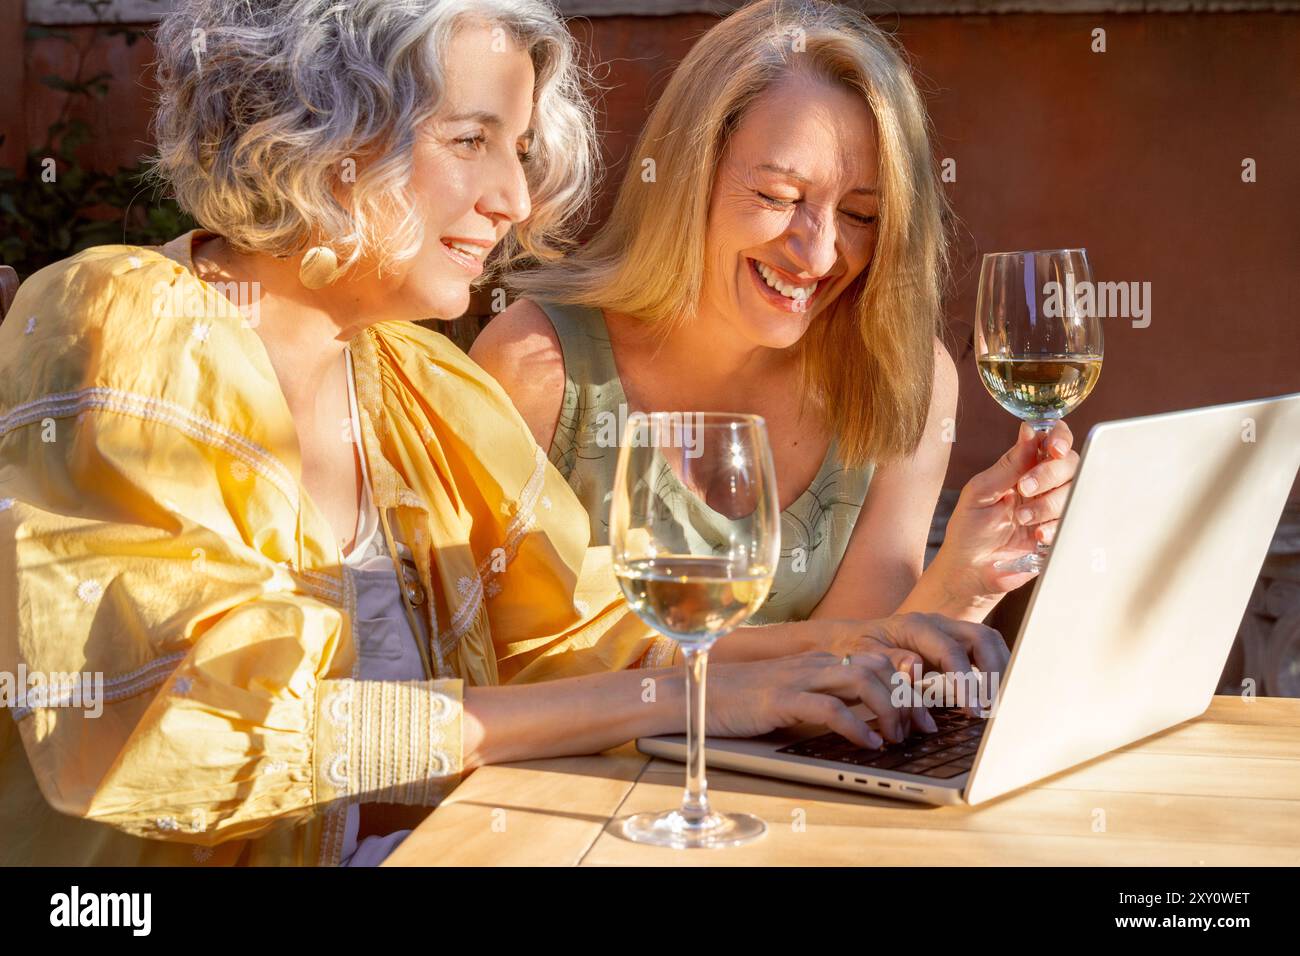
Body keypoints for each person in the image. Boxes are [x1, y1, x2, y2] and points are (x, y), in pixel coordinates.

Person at [0, 0, 999, 867]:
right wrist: (669, 699)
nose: (516, 199)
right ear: (330, 131)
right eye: (471, 139)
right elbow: (182, 734)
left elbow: (593, 642)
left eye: (517, 149)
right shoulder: (125, 319)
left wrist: (849, 645)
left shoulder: (417, 378)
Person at [475, 0, 1079, 670]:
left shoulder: (898, 375)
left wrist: (963, 581)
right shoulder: (535, 367)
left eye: (860, 214)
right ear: (688, 176)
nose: (819, 255)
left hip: (785, 780)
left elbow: (854, 674)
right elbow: (500, 671)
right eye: (778, 198)